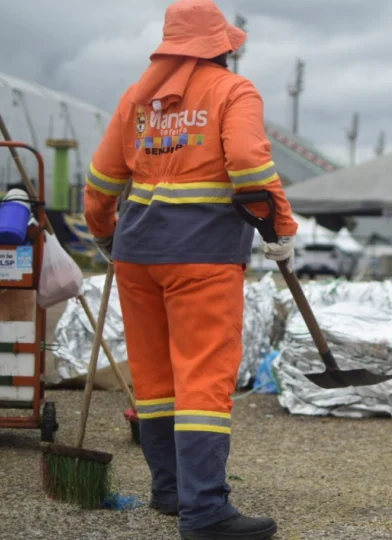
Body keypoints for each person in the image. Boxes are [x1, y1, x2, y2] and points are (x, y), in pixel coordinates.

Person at [83, 1, 297, 538]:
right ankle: (205, 511)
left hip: (136, 256)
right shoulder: (233, 91)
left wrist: (106, 235)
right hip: (201, 256)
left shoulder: (137, 99)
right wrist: (281, 232)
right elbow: (249, 164)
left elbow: (101, 181)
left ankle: (171, 491)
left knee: (155, 378)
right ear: (221, 46)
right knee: (203, 378)